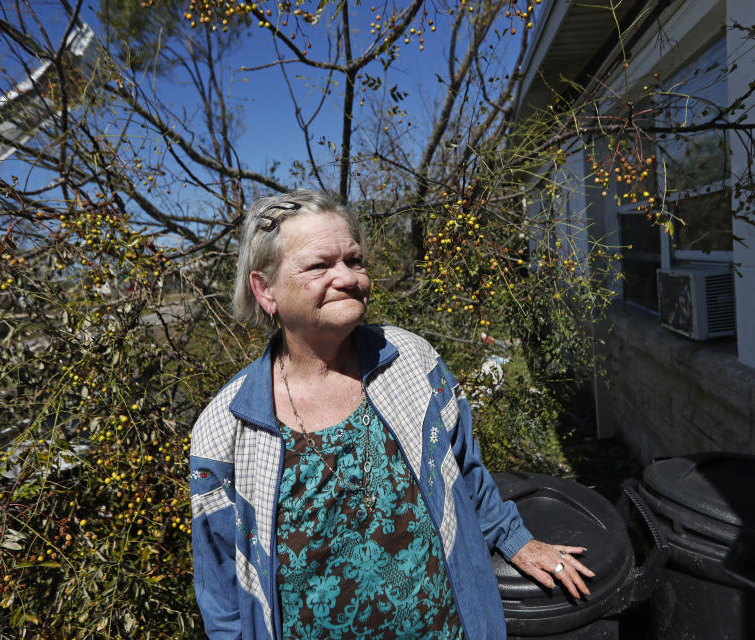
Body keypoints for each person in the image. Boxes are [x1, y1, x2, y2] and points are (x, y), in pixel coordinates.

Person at [189, 190, 594, 640]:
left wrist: (517, 540)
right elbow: (222, 590)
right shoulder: (226, 429)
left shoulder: (411, 363)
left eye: (354, 260)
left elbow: (465, 471)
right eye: (319, 265)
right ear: (265, 290)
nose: (347, 277)